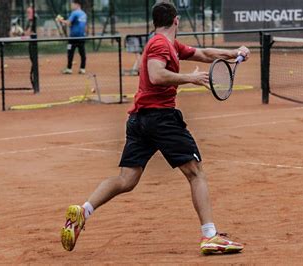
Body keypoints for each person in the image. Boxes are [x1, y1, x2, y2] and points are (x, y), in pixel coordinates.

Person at [60, 1, 250, 255]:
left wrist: (233, 52)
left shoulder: (168, 44)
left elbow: (203, 54)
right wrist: (190, 78)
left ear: (154, 22)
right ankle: (210, 235)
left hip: (139, 120)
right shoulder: (161, 44)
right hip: (161, 118)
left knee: (127, 179)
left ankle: (84, 211)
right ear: (176, 20)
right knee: (195, 173)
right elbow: (156, 75)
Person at [57, 0, 87, 75]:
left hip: (73, 37)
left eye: (72, 4)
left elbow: (68, 23)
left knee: (70, 53)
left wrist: (61, 20)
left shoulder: (74, 13)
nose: (71, 6)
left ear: (77, 4)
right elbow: (75, 25)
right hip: (81, 37)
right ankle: (82, 69)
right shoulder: (84, 14)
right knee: (82, 53)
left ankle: (69, 69)